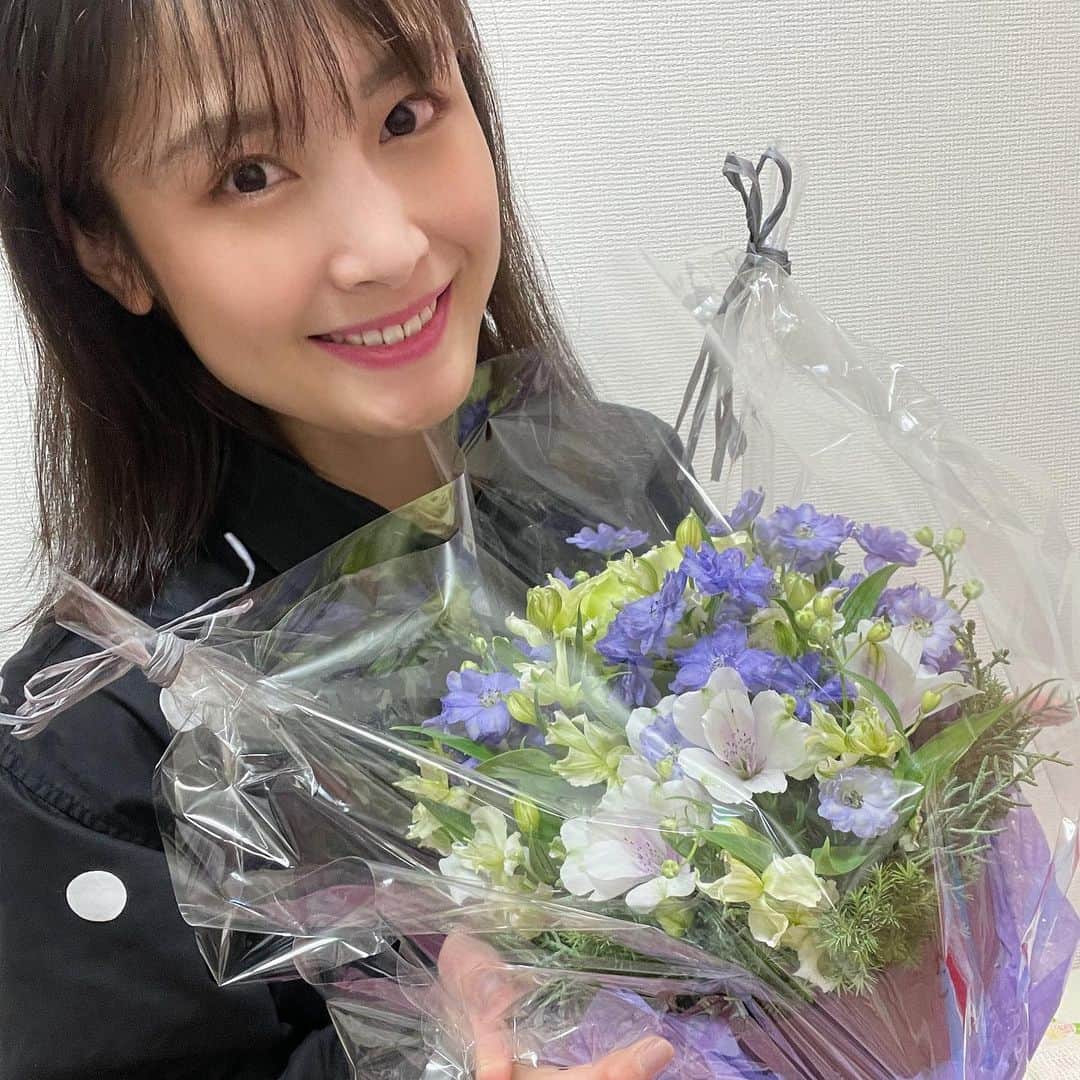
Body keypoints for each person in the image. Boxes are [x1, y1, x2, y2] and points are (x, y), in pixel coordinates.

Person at [0, 1, 679, 1077]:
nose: (388, 247)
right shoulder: (91, 754)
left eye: (405, 115)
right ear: (107, 247)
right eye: (249, 176)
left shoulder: (622, 479)